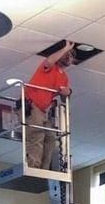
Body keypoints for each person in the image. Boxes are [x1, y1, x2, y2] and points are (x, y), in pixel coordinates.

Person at [25, 40, 74, 170]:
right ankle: (33, 167)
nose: (69, 56)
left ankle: (43, 169)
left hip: (42, 109)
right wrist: (64, 49)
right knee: (36, 135)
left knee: (50, 138)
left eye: (71, 55)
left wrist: (68, 92)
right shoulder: (49, 67)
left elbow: (64, 97)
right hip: (30, 103)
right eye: (66, 54)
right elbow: (49, 61)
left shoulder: (64, 77)